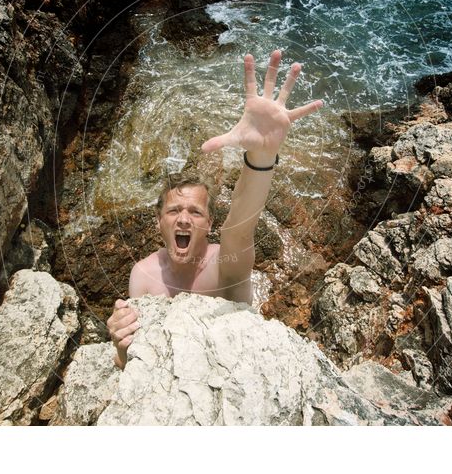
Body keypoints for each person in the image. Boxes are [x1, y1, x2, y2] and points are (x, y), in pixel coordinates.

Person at [107, 49, 323, 369]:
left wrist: (262, 158)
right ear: (158, 223)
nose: (183, 218)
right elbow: (135, 363)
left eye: (195, 212)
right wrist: (121, 347)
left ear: (209, 224)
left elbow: (241, 224)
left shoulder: (226, 265)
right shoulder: (142, 276)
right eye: (173, 211)